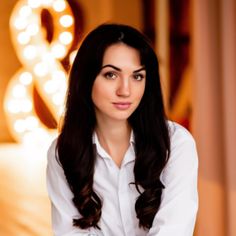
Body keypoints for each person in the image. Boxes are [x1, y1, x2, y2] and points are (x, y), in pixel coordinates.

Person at [46, 23, 198, 236]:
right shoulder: (63, 152)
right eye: (111, 75)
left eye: (137, 76)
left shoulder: (176, 144)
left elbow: (173, 230)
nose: (125, 90)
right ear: (86, 79)